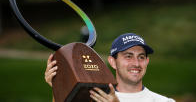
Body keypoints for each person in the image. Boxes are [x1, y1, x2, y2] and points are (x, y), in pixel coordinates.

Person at [45, 33, 175, 102]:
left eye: (141, 57)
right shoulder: (94, 98)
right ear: (112, 62)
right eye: (128, 56)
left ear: (147, 61)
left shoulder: (164, 101)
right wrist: (60, 88)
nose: (136, 63)